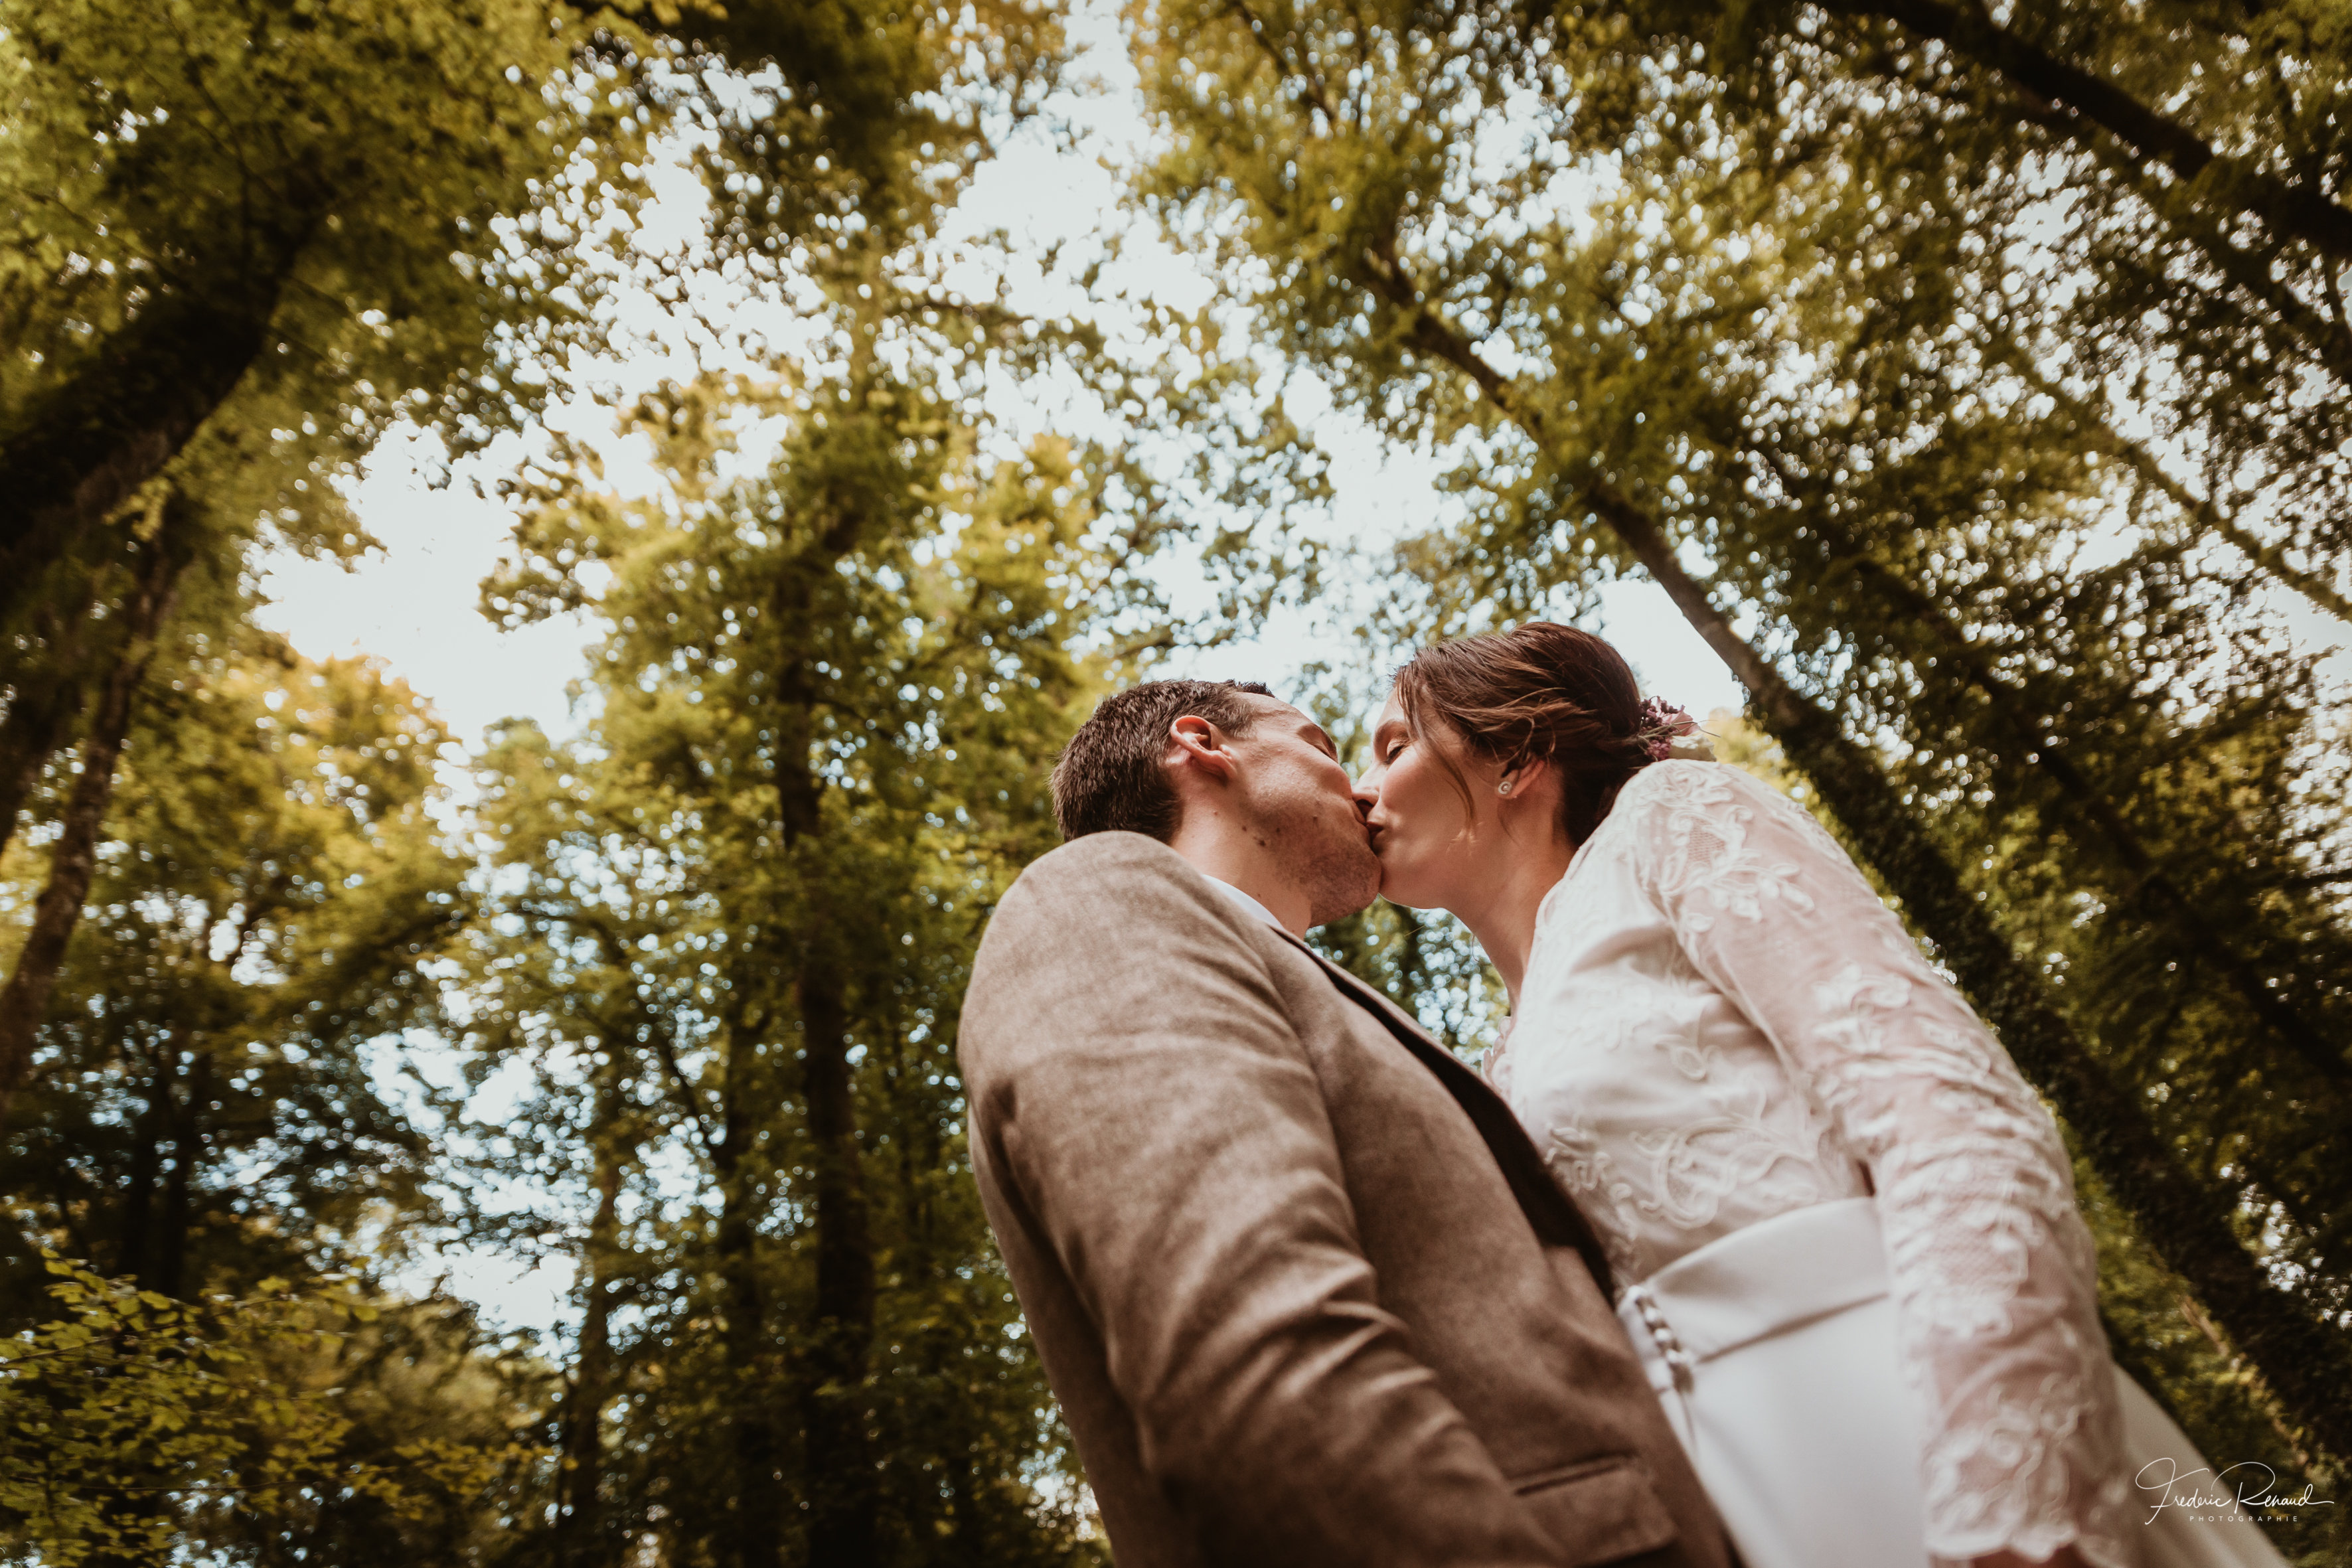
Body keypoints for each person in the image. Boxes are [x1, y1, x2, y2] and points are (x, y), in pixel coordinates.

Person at [1359, 621, 2290, 1568]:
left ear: (1517, 755)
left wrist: (2007, 1493)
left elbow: (1949, 1111)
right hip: (1736, 1500)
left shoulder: (1672, 819)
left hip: (1912, 1415)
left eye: (1394, 745)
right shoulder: (1497, 1061)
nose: (1365, 787)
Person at [957, 678, 1735, 1567]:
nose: (1362, 787)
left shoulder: (1286, 984)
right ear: (1203, 744)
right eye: (1324, 744)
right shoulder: (1099, 902)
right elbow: (1263, 1378)